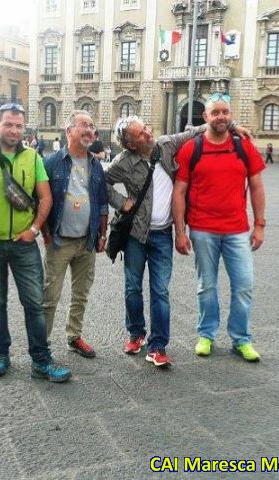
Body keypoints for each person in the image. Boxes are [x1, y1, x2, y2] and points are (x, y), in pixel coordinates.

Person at [106, 112, 251, 368]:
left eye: (146, 127)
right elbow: (101, 182)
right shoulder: (123, 162)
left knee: (160, 291)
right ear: (130, 144)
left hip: (162, 234)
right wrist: (121, 203)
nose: (148, 133)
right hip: (136, 236)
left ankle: (158, 346)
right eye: (140, 133)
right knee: (132, 287)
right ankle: (136, 333)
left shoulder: (166, 144)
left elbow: (197, 130)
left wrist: (233, 125)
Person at [0, 102, 71, 382]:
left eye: (19, 125)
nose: (14, 130)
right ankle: (0, 354)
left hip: (24, 244)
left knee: (34, 304)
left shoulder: (32, 158)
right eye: (9, 124)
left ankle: (41, 360)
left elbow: (45, 197)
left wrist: (34, 229)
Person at [172, 92, 266, 362]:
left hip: (237, 229)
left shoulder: (243, 146)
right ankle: (206, 334)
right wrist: (180, 232)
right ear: (206, 117)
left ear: (231, 115)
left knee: (244, 285)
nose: (221, 117)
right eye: (215, 112)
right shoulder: (192, 148)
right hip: (202, 229)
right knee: (207, 285)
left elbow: (257, 187)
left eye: (225, 112)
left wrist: (259, 225)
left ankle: (241, 338)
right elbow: (180, 191)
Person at [41, 111, 108, 358]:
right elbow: (40, 200)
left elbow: (102, 203)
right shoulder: (51, 162)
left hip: (87, 241)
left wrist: (102, 234)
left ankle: (74, 336)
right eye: (84, 125)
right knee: (50, 296)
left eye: (92, 125)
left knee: (81, 294)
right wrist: (46, 233)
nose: (90, 130)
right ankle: (42, 344)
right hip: (59, 241)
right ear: (69, 131)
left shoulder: (96, 164)